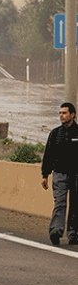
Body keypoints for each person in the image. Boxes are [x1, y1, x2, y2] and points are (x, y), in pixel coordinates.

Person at [41, 102, 78, 245]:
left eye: (64, 113)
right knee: (60, 203)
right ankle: (56, 230)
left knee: (75, 204)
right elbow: (48, 155)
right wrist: (45, 174)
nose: (61, 116)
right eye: (60, 113)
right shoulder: (55, 133)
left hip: (76, 175)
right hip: (59, 174)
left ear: (72, 115)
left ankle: (73, 233)